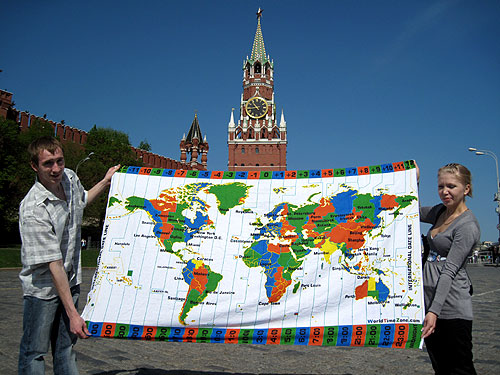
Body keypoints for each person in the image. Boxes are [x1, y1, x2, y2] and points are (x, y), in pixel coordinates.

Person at [18, 136, 120, 374]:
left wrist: (105, 182)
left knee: (65, 349)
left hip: (71, 281)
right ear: (35, 166)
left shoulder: (69, 178)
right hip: (42, 290)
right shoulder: (34, 208)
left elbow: (82, 200)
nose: (56, 169)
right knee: (35, 352)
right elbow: (53, 264)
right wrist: (73, 315)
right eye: (48, 164)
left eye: (59, 161)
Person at [419, 163, 479, 374]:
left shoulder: (467, 225)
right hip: (430, 304)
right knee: (440, 367)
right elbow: (409, 210)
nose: (445, 191)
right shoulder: (439, 212)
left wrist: (434, 311)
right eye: (441, 186)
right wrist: (413, 181)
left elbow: (450, 270)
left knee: (459, 369)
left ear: (466, 189)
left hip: (451, 307)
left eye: (451, 186)